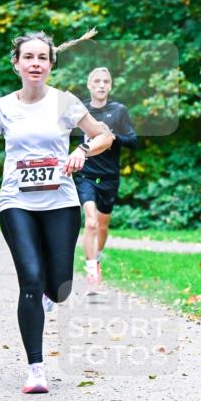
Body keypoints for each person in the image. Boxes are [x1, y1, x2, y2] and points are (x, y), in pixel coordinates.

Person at [0, 30, 113, 394]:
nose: (35, 64)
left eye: (42, 58)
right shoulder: (2, 106)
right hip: (16, 202)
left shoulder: (65, 103)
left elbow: (103, 136)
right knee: (31, 280)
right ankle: (36, 369)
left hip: (61, 204)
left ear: (51, 64)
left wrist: (83, 151)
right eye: (28, 57)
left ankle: (53, 295)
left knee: (59, 287)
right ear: (16, 63)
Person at [74, 67, 137, 290]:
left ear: (110, 86)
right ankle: (92, 270)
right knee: (90, 221)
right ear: (89, 85)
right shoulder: (80, 110)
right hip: (85, 174)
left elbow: (132, 140)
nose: (101, 85)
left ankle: (96, 256)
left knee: (102, 225)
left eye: (106, 81)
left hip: (109, 176)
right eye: (97, 81)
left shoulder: (118, 111)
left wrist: (111, 136)